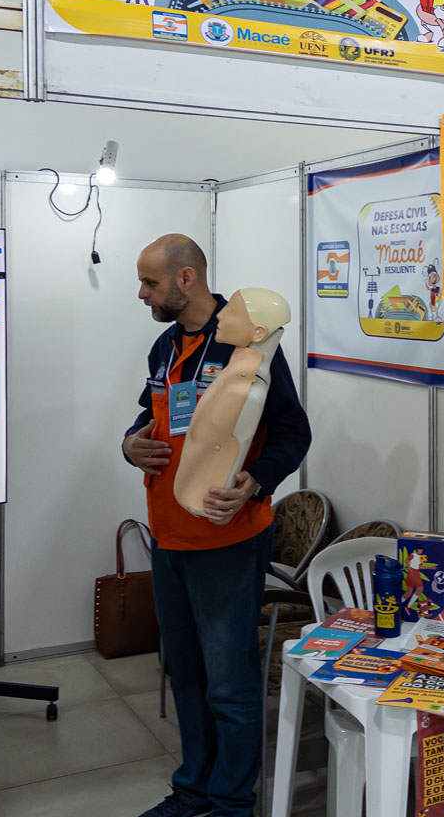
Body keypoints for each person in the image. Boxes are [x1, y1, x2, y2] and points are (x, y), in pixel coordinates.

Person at [122, 235, 312, 817]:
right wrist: (129, 444)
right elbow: (149, 413)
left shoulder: (249, 342)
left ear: (186, 279)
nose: (141, 293)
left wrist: (256, 481)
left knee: (229, 683)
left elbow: (293, 432)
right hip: (169, 536)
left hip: (227, 539)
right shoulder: (165, 345)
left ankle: (231, 803)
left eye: (150, 282)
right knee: (184, 672)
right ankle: (193, 791)